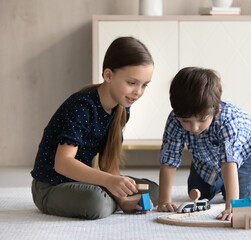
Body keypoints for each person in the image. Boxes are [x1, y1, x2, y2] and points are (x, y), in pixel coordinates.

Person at [30, 36, 159, 220]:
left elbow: (108, 162)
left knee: (152, 190)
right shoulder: (82, 106)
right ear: (108, 75)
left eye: (144, 85)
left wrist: (121, 197)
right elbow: (63, 162)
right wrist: (110, 183)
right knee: (97, 202)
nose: (138, 92)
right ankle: (108, 199)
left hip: (84, 183)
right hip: (51, 187)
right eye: (132, 83)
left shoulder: (122, 109)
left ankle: (112, 199)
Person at [157, 67, 251, 221]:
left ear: (215, 109)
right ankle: (221, 182)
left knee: (239, 197)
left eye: (201, 120)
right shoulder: (175, 119)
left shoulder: (228, 123)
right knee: (198, 194)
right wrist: (164, 200)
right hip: (205, 155)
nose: (194, 128)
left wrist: (231, 206)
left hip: (239, 154)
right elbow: (169, 158)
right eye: (186, 121)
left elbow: (229, 162)